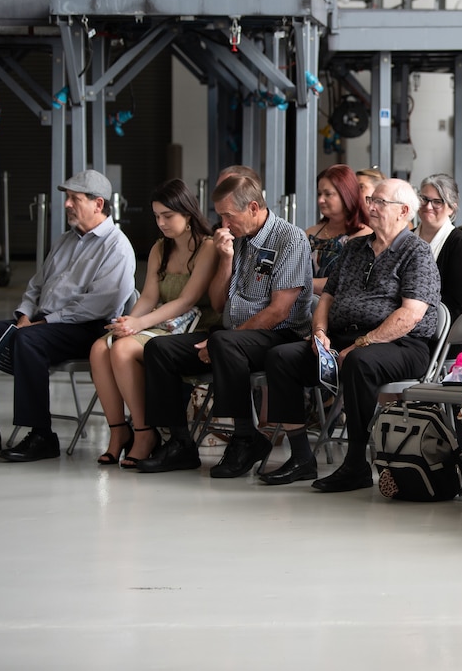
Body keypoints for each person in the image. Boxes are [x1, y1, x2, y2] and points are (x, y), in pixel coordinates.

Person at [257, 178, 442, 490]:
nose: (370, 206)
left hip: (401, 345)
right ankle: (301, 457)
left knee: (359, 362)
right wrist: (319, 333)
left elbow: (410, 315)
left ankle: (356, 462)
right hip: (345, 338)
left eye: (380, 202)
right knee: (282, 357)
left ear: (404, 211)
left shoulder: (416, 252)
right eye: (371, 201)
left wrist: (363, 342)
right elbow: (326, 297)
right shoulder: (355, 247)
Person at [0, 170, 136, 461]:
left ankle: (41, 435)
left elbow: (97, 305)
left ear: (98, 204)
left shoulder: (117, 247)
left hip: (87, 328)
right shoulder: (64, 241)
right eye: (67, 198)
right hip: (39, 322)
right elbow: (36, 284)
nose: (67, 204)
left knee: (29, 340)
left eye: (75, 198)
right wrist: (24, 314)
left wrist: (43, 322)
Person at [135, 169, 313, 477]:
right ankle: (179, 442)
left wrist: (219, 343)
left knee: (222, 342)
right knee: (158, 349)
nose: (223, 224)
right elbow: (218, 304)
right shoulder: (238, 239)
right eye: (220, 217)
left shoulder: (290, 239)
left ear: (253, 208)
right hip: (232, 336)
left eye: (229, 216)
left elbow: (279, 311)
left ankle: (245, 437)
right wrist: (226, 258)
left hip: (280, 335)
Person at [89, 179, 220, 467]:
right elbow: (148, 296)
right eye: (156, 216)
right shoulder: (161, 248)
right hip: (162, 321)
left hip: (193, 325)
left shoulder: (207, 247)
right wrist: (130, 321)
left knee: (122, 350)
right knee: (100, 348)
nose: (161, 223)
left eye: (167, 216)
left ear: (187, 213)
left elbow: (187, 300)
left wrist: (137, 326)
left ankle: (144, 433)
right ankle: (118, 432)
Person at [414, 173, 462, 319]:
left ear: (452, 208)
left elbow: (453, 301)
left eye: (438, 202)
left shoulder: (460, 244)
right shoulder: (406, 238)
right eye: (424, 199)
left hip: (441, 328)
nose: (428, 206)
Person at [307, 164, 371, 295]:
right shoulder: (309, 233)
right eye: (319, 194)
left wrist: (300, 284)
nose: (320, 200)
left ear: (346, 194)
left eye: (328, 194)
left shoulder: (364, 236)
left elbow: (346, 281)